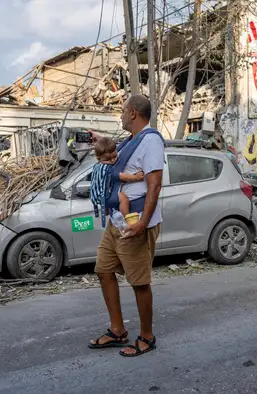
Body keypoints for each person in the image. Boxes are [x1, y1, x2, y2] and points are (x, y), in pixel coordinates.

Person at [88, 94, 165, 357]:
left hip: (135, 223)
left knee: (139, 281)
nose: (120, 115)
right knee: (103, 270)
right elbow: (111, 163)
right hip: (117, 221)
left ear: (133, 113)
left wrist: (143, 222)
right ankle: (118, 330)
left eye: (122, 111)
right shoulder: (130, 141)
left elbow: (154, 184)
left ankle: (146, 336)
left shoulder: (151, 141)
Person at [89, 137, 145, 227]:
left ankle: (108, 210)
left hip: (97, 196)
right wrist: (135, 177)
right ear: (98, 158)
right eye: (108, 159)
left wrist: (127, 140)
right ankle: (127, 217)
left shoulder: (96, 166)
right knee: (124, 199)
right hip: (105, 197)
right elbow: (120, 176)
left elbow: (118, 147)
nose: (112, 160)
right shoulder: (107, 169)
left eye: (115, 156)